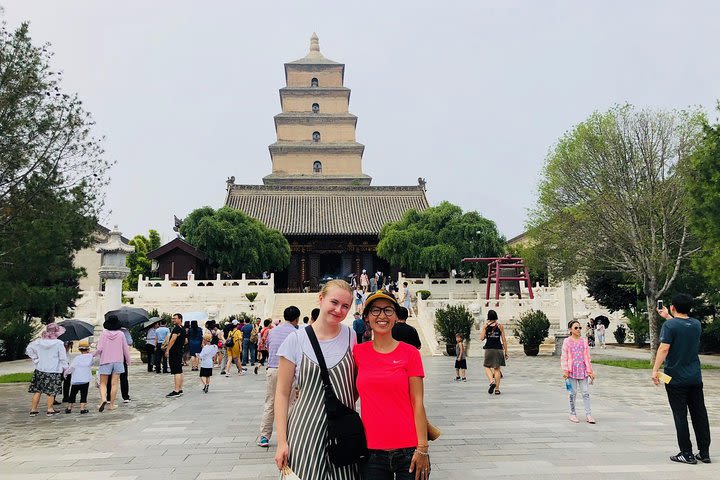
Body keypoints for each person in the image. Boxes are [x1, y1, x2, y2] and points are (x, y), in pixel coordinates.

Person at [274, 280, 360, 479]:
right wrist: (282, 441)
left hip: (343, 432)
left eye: (345, 306)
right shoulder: (295, 340)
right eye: (334, 302)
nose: (339, 310)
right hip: (305, 429)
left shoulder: (351, 336)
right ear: (320, 299)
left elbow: (355, 383)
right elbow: (282, 392)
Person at [354, 290, 430, 480]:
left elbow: (417, 401)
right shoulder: (357, 352)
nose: (382, 316)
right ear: (366, 317)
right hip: (371, 451)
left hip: (409, 450)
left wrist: (422, 448)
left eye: (388, 310)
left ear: (396, 316)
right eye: (375, 310)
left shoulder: (410, 353)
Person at [653, 294, 711, 464]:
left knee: (680, 415)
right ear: (690, 308)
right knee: (700, 414)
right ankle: (704, 452)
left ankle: (686, 453)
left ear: (672, 307)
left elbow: (664, 349)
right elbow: (682, 326)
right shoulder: (696, 324)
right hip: (694, 377)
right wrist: (668, 317)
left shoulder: (669, 326)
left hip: (675, 379)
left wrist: (655, 370)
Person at [258, 306, 300, 448]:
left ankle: (264, 436)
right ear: (296, 318)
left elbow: (269, 348)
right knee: (290, 403)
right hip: (288, 371)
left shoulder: (272, 331)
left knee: (270, 402)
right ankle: (288, 436)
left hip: (273, 369)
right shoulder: (296, 333)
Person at [25, 323, 69, 416]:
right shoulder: (59, 343)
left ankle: (33, 410)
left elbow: (29, 349)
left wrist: (36, 359)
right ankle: (50, 409)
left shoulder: (38, 342)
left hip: (40, 369)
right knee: (51, 391)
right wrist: (65, 368)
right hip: (53, 370)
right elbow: (63, 358)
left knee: (38, 390)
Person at [561, 320, 595, 424]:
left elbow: (587, 357)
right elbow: (564, 357)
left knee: (585, 393)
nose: (578, 330)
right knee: (573, 393)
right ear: (570, 330)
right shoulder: (567, 341)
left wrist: (590, 371)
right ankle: (572, 413)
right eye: (576, 328)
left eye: (579, 328)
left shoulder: (584, 341)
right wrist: (565, 370)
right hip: (571, 371)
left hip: (582, 370)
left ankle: (589, 414)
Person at [480, 310, 508, 395]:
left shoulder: (486, 326)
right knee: (497, 369)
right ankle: (497, 389)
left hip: (489, 349)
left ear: (488, 317)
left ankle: (492, 382)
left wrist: (485, 329)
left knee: (487, 366)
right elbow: (504, 340)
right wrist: (506, 352)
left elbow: (481, 338)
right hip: (499, 349)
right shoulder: (500, 326)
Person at [65, 340, 94, 414]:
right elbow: (92, 363)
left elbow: (71, 368)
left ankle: (69, 408)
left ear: (79, 349)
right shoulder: (90, 357)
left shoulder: (77, 358)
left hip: (76, 380)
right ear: (88, 349)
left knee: (72, 394)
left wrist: (66, 373)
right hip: (85, 379)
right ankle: (82, 408)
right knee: (84, 394)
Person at [165, 313, 187, 397]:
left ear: (180, 319)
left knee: (176, 371)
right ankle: (180, 388)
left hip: (174, 352)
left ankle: (176, 390)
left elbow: (173, 340)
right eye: (172, 318)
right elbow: (185, 341)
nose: (173, 320)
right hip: (179, 351)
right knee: (179, 370)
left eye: (175, 318)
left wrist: (167, 350)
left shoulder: (176, 329)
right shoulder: (183, 329)